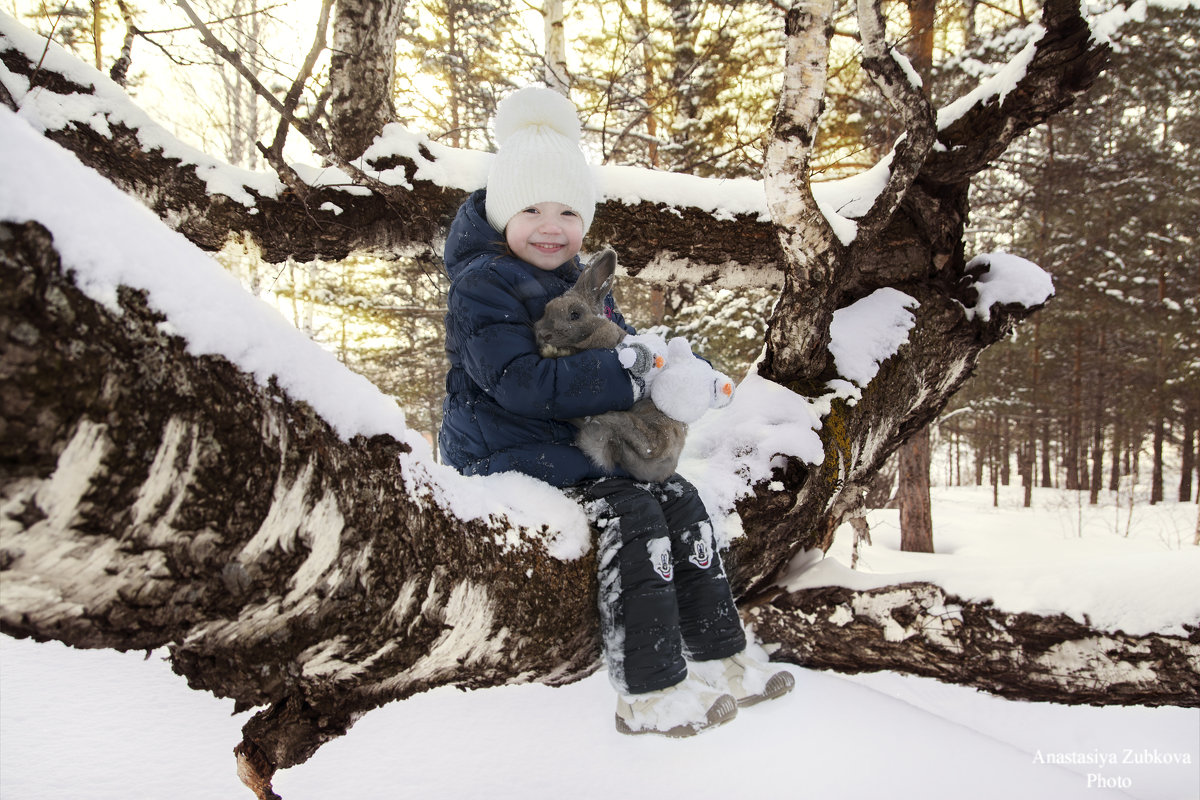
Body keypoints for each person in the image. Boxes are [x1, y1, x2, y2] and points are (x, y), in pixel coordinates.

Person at [439, 86, 794, 737]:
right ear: (500, 212)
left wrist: (670, 374)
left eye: (570, 211)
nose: (554, 225)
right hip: (505, 451)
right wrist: (620, 373)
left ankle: (719, 654)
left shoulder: (582, 282)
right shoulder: (481, 284)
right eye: (533, 209)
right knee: (632, 511)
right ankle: (649, 691)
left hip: (576, 445)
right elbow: (516, 383)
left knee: (680, 497)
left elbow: (626, 355)